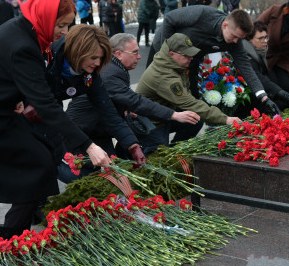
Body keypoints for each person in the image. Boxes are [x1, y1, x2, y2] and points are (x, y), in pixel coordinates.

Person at [0, 0, 113, 240]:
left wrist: (16, 99)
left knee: (42, 158)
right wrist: (89, 146)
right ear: (44, 16)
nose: (65, 32)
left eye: (68, 25)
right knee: (39, 165)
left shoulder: (23, 30)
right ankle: (10, 240)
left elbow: (9, 77)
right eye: (61, 25)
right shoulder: (24, 45)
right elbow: (45, 103)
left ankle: (16, 234)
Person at [67, 33, 201, 156]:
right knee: (96, 173)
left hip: (98, 128)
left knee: (115, 166)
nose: (140, 56)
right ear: (118, 54)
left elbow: (121, 98)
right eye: (135, 52)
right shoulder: (110, 73)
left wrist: (125, 108)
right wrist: (174, 115)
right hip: (83, 132)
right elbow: (135, 101)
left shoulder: (114, 68)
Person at [43, 25, 146, 183]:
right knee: (67, 171)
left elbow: (107, 110)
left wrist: (133, 145)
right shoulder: (50, 61)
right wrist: (88, 146)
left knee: (108, 168)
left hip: (90, 128)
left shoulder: (90, 73)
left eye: (101, 58)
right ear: (79, 52)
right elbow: (52, 111)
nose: (98, 63)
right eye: (93, 58)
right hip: (42, 116)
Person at [147, 6, 281, 116]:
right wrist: (167, 52)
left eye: (239, 38)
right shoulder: (201, 15)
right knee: (156, 94)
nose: (235, 42)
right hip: (164, 51)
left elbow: (246, 67)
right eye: (234, 36)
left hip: (192, 59)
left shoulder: (235, 41)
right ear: (225, 25)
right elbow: (170, 18)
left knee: (191, 109)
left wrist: (264, 98)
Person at [137, 33, 241, 144]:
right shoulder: (165, 75)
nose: (191, 58)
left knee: (194, 120)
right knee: (160, 156)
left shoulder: (172, 63)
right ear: (172, 54)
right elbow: (189, 103)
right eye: (186, 55)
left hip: (162, 116)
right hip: (149, 122)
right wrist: (225, 119)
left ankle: (177, 148)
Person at [238, 21, 289, 115]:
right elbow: (260, 79)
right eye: (261, 38)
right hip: (248, 104)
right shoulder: (246, 56)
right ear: (249, 39)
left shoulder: (259, 52)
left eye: (266, 37)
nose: (265, 41)